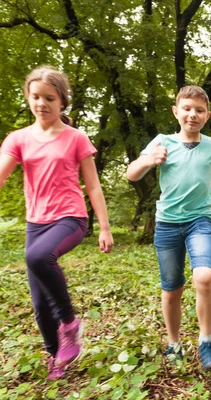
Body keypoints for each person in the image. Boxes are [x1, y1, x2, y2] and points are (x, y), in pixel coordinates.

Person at [0, 66, 114, 380]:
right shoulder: (19, 138)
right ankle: (56, 357)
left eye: (49, 98)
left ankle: (69, 323)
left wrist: (103, 227)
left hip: (70, 218)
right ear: (28, 97)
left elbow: (93, 186)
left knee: (37, 256)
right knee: (38, 302)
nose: (42, 103)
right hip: (35, 222)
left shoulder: (76, 138)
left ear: (62, 101)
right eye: (35, 96)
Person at [126, 85, 211, 371]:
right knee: (172, 289)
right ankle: (173, 343)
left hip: (200, 221)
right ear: (176, 111)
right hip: (167, 223)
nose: (192, 114)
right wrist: (150, 160)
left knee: (205, 277)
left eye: (199, 110)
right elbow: (131, 173)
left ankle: (206, 340)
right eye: (187, 108)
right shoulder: (162, 142)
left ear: (207, 115)